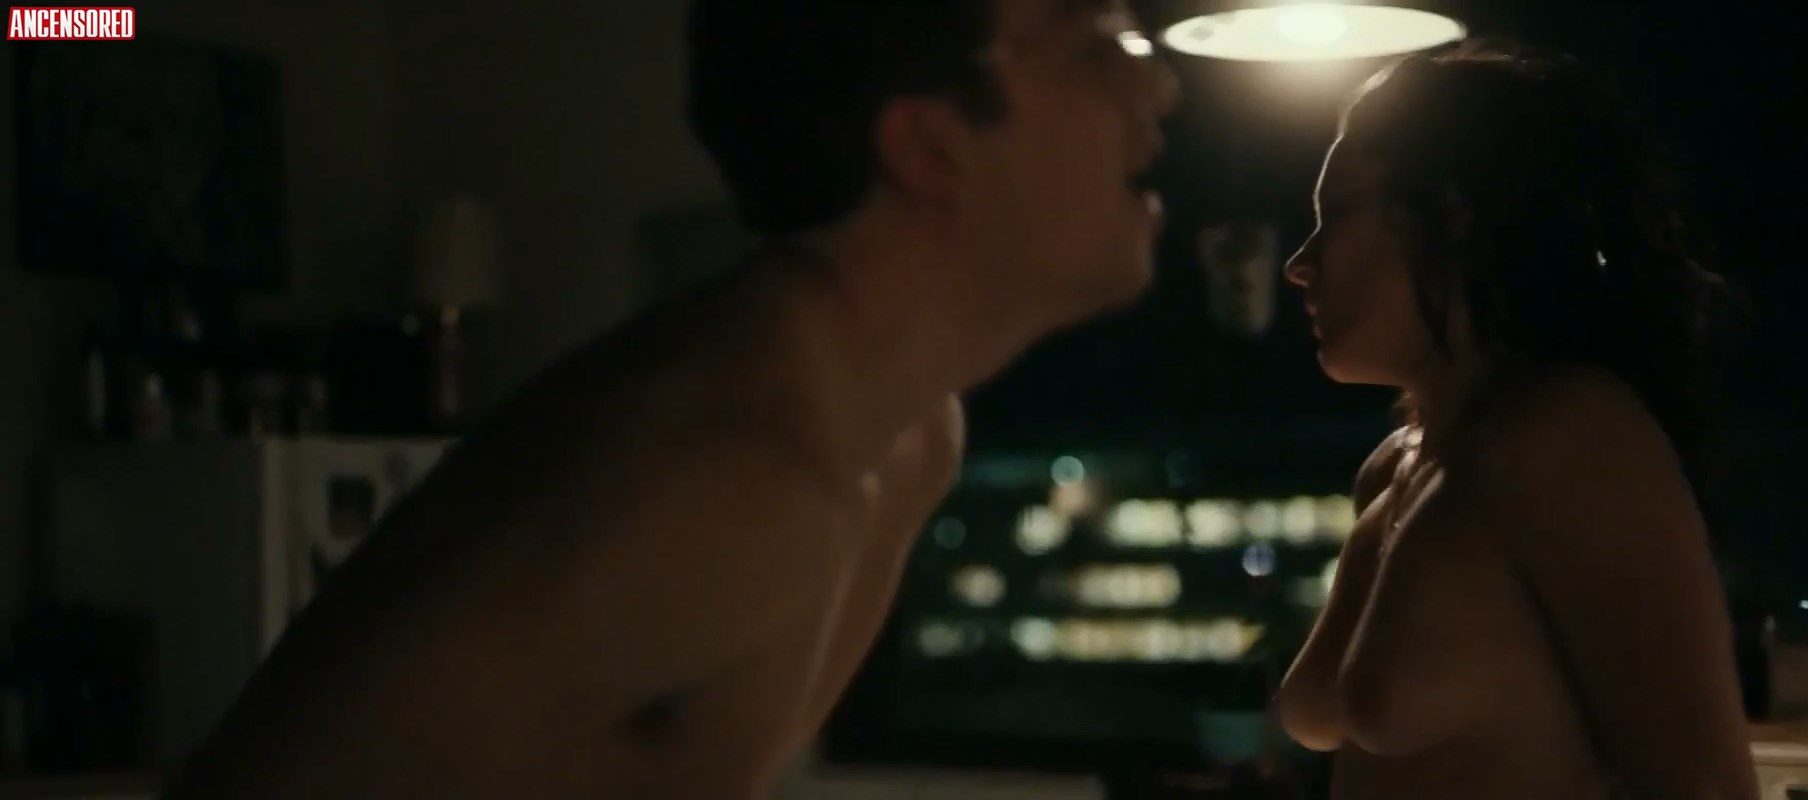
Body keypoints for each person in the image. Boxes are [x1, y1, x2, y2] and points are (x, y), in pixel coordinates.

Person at [162, 1, 1175, 798]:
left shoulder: (905, 437)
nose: (1157, 86)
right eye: (1097, 45)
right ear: (930, 149)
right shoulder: (747, 473)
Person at [1271, 39, 1758, 800]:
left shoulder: (1567, 436)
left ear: (1448, 215)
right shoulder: (1397, 466)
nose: (1300, 264)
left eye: (1334, 216)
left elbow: (1705, 785)